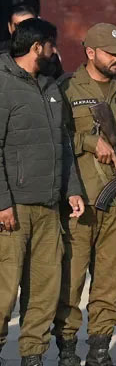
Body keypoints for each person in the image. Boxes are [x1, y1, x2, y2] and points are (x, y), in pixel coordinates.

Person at [51, 23, 116, 366]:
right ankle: (66, 351)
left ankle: (99, 351)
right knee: (71, 280)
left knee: (110, 283)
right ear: (90, 52)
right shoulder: (64, 89)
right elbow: (54, 140)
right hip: (79, 203)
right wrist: (90, 142)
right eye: (111, 53)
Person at [0, 18, 84, 366]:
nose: (54, 52)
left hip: (50, 208)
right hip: (13, 211)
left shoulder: (50, 87)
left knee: (45, 290)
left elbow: (63, 145)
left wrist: (73, 190)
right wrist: (2, 203)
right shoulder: (3, 85)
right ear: (37, 48)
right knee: (4, 291)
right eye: (51, 45)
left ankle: (32, 355)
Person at [0, 4, 63, 79]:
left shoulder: (49, 55)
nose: (24, 31)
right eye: (18, 26)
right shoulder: (2, 54)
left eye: (30, 26)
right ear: (9, 27)